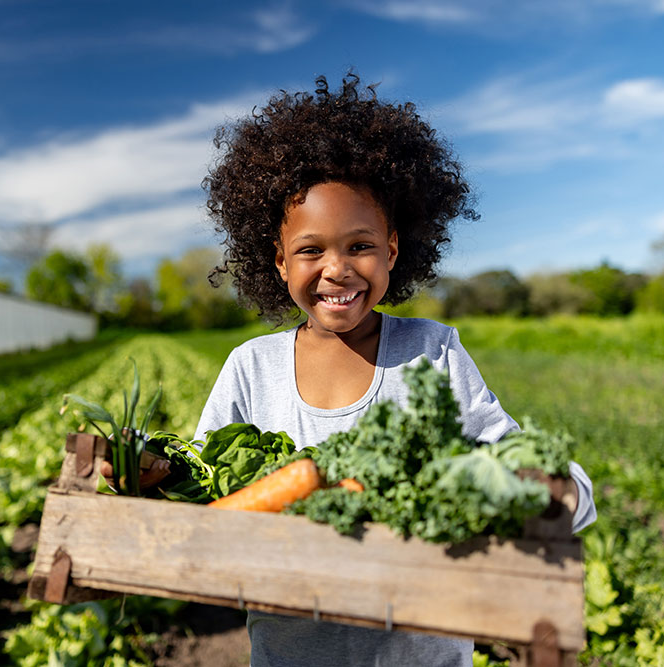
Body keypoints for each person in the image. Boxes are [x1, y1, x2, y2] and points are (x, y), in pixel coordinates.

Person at [192, 73, 597, 667]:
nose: (337, 269)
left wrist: (551, 489)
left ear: (393, 251)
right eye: (310, 250)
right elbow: (203, 499)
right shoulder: (251, 368)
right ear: (278, 261)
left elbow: (525, 463)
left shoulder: (433, 352)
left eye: (359, 246)